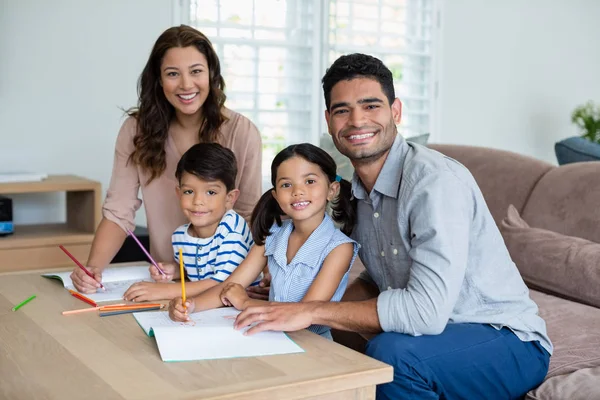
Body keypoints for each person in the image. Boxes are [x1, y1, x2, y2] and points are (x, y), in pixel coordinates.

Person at [230, 54, 552, 399]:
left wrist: (307, 309)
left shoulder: (434, 183)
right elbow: (379, 279)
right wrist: (293, 295)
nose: (357, 120)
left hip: (506, 340)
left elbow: (425, 312)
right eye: (342, 110)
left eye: (371, 106)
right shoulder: (356, 195)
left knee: (391, 354)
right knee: (308, 334)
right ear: (328, 121)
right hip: (436, 338)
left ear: (395, 112)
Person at [70, 25, 264, 294]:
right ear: (159, 80)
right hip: (164, 279)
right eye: (173, 74)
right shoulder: (135, 131)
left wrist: (245, 283)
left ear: (212, 74)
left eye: (196, 71)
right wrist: (93, 270)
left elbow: (249, 218)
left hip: (224, 286)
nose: (186, 85)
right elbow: (118, 212)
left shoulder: (241, 132)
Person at [168, 143, 359, 340]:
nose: (298, 191)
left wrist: (245, 303)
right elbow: (230, 285)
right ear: (275, 195)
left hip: (313, 344)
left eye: (310, 181)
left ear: (332, 190)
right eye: (286, 184)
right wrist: (191, 305)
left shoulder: (339, 248)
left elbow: (305, 313)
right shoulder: (271, 236)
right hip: (267, 336)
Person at [122, 143, 261, 301]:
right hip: (202, 308)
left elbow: (223, 284)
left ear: (230, 198)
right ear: (179, 193)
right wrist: (174, 270)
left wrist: (164, 290)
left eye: (210, 192)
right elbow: (193, 272)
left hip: (235, 308)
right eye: (189, 191)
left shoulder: (233, 230)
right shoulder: (180, 236)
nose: (198, 201)